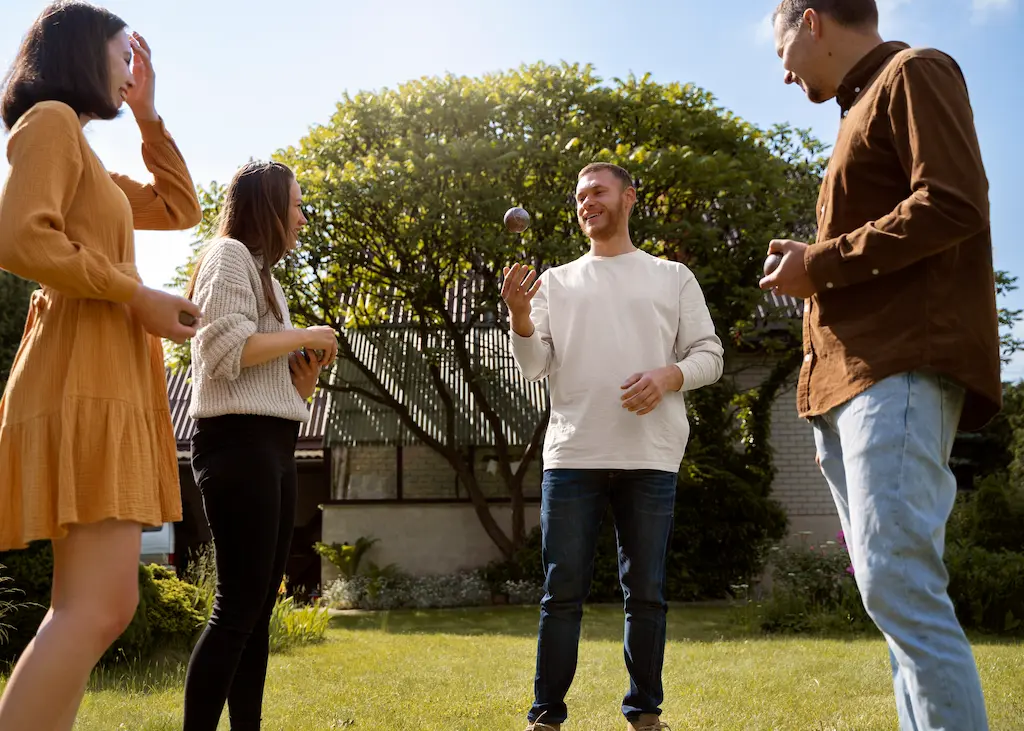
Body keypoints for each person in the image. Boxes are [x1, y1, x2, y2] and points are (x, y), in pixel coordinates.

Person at [762, 1, 1000, 729]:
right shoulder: (857, 109)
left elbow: (955, 201)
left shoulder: (915, 70)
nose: (782, 73)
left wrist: (820, 262)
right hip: (846, 382)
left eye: (781, 50)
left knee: (901, 587)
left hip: (895, 369)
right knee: (892, 597)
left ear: (812, 21)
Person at [0, 2, 203, 729]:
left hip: (105, 373)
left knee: (99, 606)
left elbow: (181, 207)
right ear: (85, 55)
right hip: (80, 372)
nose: (130, 69)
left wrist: (149, 114)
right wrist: (135, 293)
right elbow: (20, 238)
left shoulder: (85, 154)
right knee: (94, 607)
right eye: (124, 56)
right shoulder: (50, 122)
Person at [503, 162, 724, 731]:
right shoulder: (554, 281)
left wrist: (668, 377)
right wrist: (520, 317)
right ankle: (545, 718)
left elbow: (710, 354)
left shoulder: (672, 276)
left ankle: (645, 715)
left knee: (646, 592)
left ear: (628, 198)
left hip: (650, 456)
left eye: (597, 191)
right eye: (580, 196)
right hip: (573, 456)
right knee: (562, 593)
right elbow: (534, 367)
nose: (587, 202)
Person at [181, 160, 339, 731]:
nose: (302, 218)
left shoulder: (264, 276)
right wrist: (307, 335)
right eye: (296, 205)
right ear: (269, 208)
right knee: (237, 608)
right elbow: (222, 350)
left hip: (270, 443)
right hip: (237, 445)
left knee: (256, 609)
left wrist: (302, 378)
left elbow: (260, 367)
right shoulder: (227, 257)